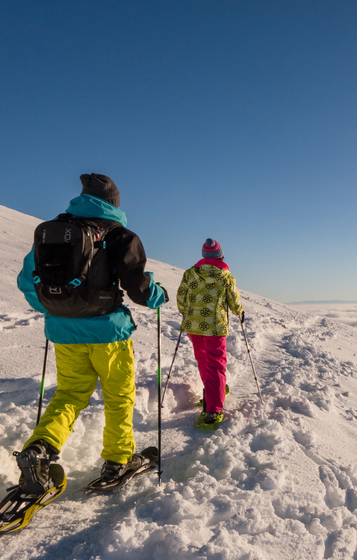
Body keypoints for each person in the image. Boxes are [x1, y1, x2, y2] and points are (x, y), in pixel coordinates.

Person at [15, 173, 167, 491]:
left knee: (69, 395)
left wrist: (59, 311)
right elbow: (140, 290)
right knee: (118, 398)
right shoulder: (120, 235)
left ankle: (39, 450)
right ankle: (118, 460)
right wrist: (159, 294)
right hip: (109, 334)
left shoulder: (54, 233)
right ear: (113, 203)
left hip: (64, 333)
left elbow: (27, 282)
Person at [176, 238, 244, 426]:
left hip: (193, 325)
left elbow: (181, 297)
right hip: (214, 327)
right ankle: (213, 409)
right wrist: (239, 312)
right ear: (221, 255)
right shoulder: (225, 276)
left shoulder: (190, 273)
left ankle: (214, 391)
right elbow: (234, 301)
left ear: (204, 256)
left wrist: (189, 313)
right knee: (216, 364)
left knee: (203, 359)